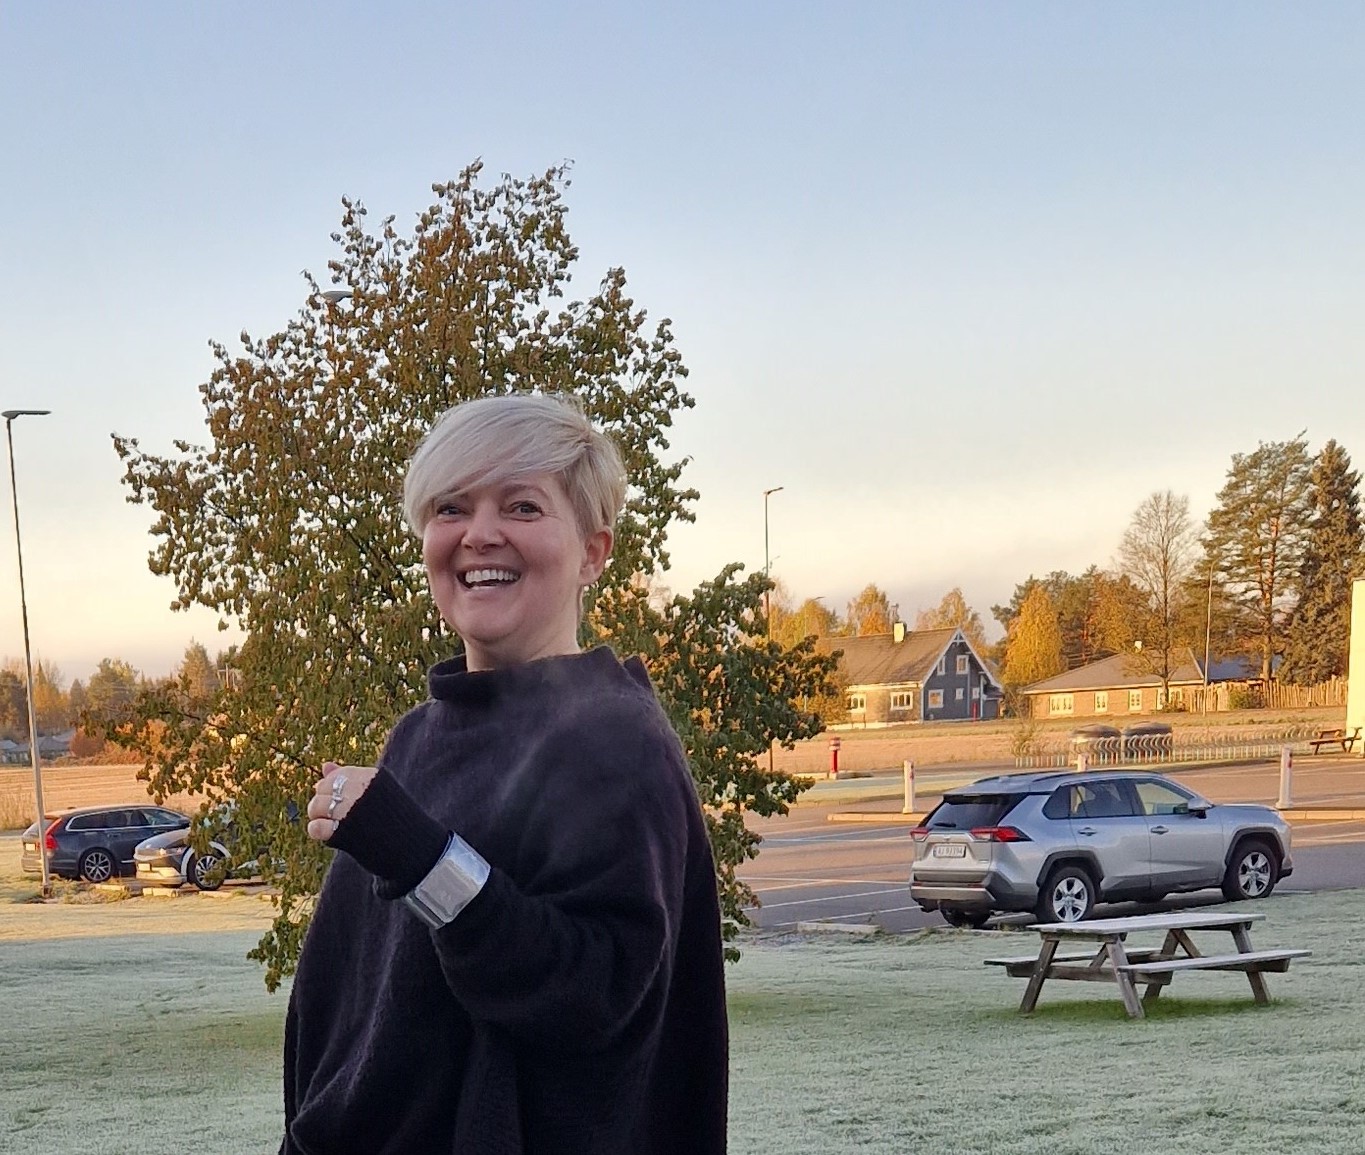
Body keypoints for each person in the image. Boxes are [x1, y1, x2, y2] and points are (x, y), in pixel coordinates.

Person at [280, 394, 728, 1154]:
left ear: (592, 552)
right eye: (451, 507)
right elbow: (345, 1001)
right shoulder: (417, 737)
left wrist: (422, 858)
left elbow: (596, 993)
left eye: (522, 506)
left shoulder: (613, 738)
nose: (479, 533)